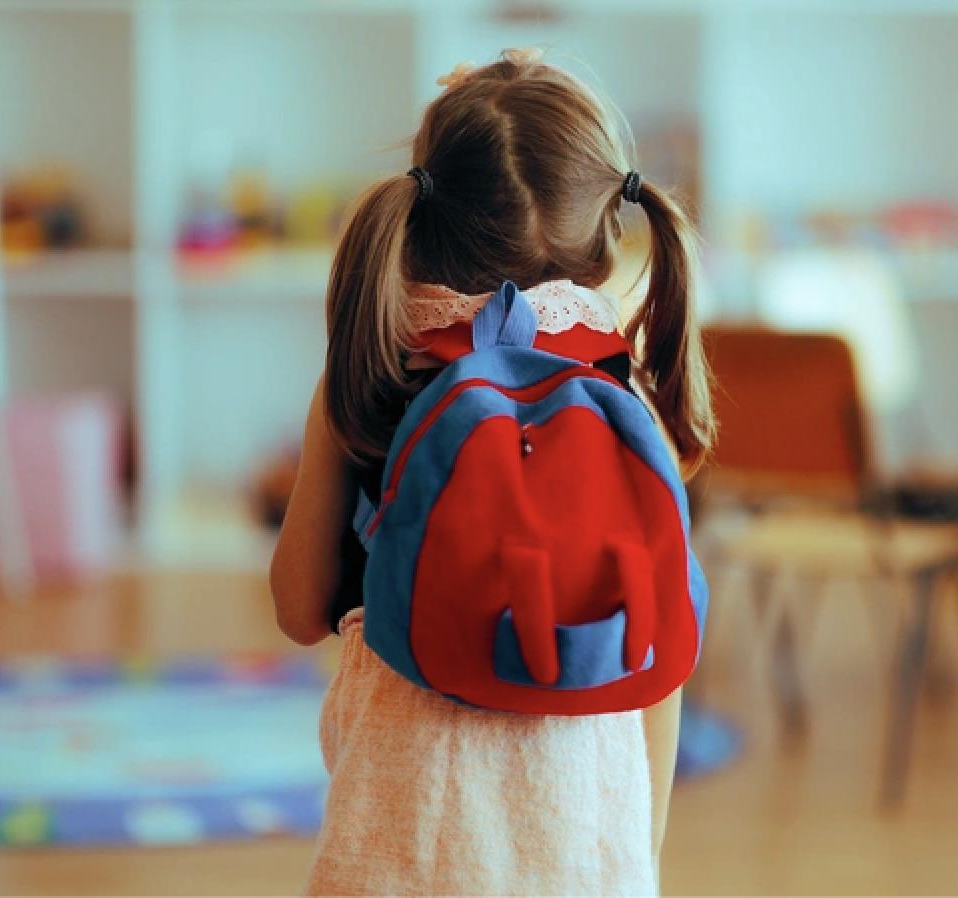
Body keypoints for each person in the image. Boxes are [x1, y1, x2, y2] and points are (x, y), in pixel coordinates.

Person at [270, 47, 714, 896]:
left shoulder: (372, 375)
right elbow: (663, 657)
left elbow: (298, 609)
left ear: (423, 211)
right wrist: (642, 854)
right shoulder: (624, 399)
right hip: (585, 843)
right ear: (608, 226)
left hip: (404, 835)